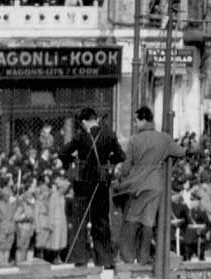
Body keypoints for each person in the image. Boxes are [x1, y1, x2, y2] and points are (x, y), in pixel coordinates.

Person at [114, 105, 185, 265]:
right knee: (148, 221)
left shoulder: (134, 139)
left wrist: (122, 176)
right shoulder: (164, 138)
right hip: (156, 184)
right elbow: (181, 152)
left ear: (143, 120)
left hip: (138, 184)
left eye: (136, 121)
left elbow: (127, 165)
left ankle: (128, 257)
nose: (134, 124)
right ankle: (143, 259)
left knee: (131, 219)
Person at [59, 106, 125, 268]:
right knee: (101, 222)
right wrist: (108, 161)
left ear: (83, 122)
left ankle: (80, 258)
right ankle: (104, 259)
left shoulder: (81, 136)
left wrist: (72, 163)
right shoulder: (109, 135)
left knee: (80, 221)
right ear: (95, 119)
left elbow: (63, 153)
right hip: (101, 184)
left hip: (82, 184)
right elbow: (121, 156)